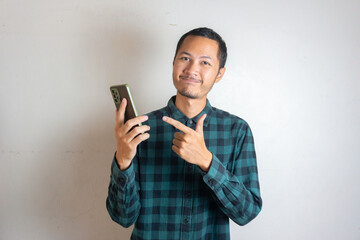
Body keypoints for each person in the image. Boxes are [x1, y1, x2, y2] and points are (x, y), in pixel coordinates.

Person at [106, 27, 262, 240]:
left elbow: (247, 213)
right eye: (185, 58)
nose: (192, 69)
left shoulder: (237, 131)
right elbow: (123, 217)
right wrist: (123, 160)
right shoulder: (140, 129)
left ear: (219, 74)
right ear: (173, 63)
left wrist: (207, 162)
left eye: (205, 62)